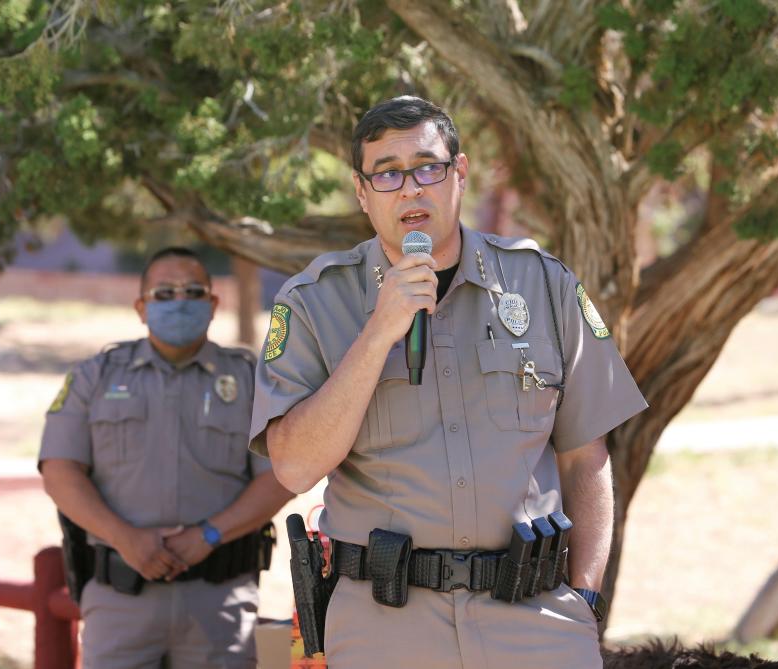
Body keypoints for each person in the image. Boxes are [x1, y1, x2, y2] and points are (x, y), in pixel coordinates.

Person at [250, 96, 648, 668]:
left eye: (427, 166)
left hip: (534, 619)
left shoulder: (542, 285)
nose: (410, 188)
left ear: (458, 174)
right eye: (387, 173)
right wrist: (378, 334)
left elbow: (587, 456)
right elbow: (294, 466)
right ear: (362, 193)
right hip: (385, 627)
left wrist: (583, 595)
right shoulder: (315, 302)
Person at [39, 247, 294, 669]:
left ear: (212, 305)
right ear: (141, 307)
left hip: (220, 601)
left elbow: (280, 476)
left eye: (193, 291)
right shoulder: (95, 376)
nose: (179, 301)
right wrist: (124, 537)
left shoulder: (251, 381)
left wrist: (207, 535)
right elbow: (59, 470)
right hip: (121, 599)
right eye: (164, 293)